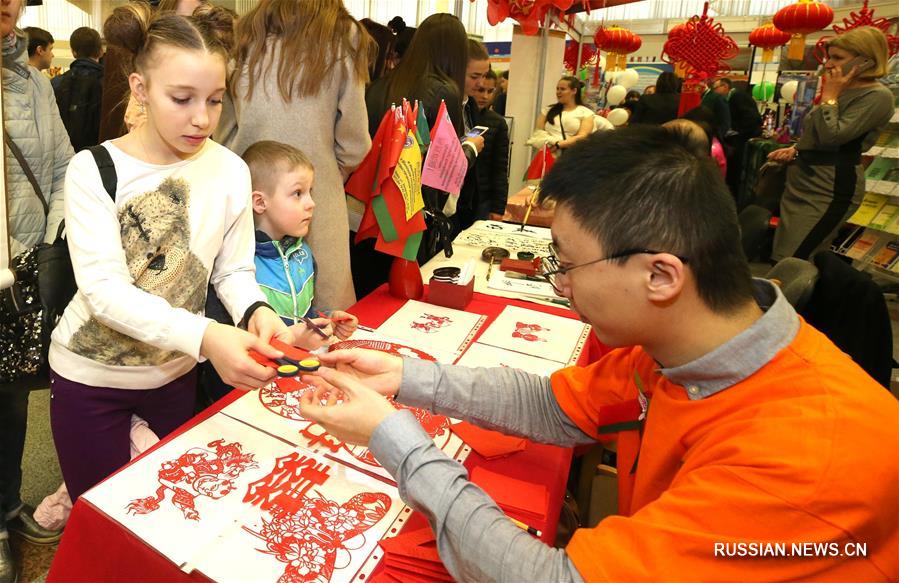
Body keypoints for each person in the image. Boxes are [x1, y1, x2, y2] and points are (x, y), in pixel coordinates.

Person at [298, 126, 899, 582]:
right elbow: (560, 405)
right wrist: (408, 377)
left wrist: (397, 443)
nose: (559, 284)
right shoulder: (686, 347)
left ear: (661, 276)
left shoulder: (801, 460)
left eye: (569, 262)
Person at [48, 3, 291, 504]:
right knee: (108, 519)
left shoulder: (229, 170)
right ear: (140, 88)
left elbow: (234, 268)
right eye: (181, 99)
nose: (201, 119)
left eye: (216, 100)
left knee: (175, 514)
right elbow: (105, 292)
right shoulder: (93, 170)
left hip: (175, 374)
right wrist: (207, 336)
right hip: (91, 381)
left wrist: (255, 310)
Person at [217, 0, 374, 312]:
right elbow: (355, 143)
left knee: (248, 310)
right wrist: (325, 176)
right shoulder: (344, 35)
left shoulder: (243, 34)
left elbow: (223, 134)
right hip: (317, 198)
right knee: (328, 324)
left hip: (252, 196)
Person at [1, 1, 73, 577]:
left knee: (11, 402)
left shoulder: (30, 76)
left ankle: (5, 506)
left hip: (19, 270)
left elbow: (60, 164)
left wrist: (48, 241)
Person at [356, 13, 482, 295]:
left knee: (372, 300)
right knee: (407, 299)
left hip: (372, 212)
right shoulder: (443, 90)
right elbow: (444, 172)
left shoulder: (377, 87)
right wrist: (471, 148)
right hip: (413, 220)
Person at [769, 26, 894, 261]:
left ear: (866, 60)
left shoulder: (877, 96)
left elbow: (833, 136)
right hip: (804, 179)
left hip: (829, 187)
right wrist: (797, 148)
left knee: (797, 257)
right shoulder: (842, 90)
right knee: (783, 253)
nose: (828, 64)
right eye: (830, 57)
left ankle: (792, 297)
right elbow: (818, 132)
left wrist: (829, 97)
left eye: (837, 58)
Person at [243, 140, 359, 343]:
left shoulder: (303, 253)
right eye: (298, 193)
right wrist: (293, 340)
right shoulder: (240, 264)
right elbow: (241, 340)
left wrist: (326, 322)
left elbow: (304, 315)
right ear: (260, 202)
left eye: (310, 192)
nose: (311, 203)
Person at [52, 26, 104, 151]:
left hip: (65, 155)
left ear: (73, 52)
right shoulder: (108, 84)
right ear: (100, 51)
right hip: (100, 156)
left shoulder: (56, 83)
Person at [712, 77, 762, 200]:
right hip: (738, 139)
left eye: (716, 88)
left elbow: (752, 119)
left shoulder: (738, 97)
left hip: (741, 141)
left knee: (735, 172)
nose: (715, 92)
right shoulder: (732, 98)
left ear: (725, 87)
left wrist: (734, 130)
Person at [471, 68, 510, 221]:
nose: (485, 96)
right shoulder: (459, 115)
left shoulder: (498, 123)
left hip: (482, 198)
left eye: (490, 91)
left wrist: (498, 208)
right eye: (480, 90)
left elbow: (500, 168)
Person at [531, 75, 594, 156]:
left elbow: (583, 136)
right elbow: (538, 132)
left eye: (563, 89)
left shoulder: (586, 113)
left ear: (574, 91)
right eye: (557, 89)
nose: (558, 92)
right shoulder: (547, 110)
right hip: (546, 156)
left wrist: (558, 144)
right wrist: (550, 142)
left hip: (569, 158)